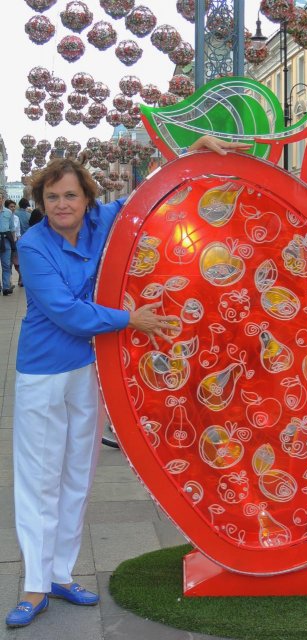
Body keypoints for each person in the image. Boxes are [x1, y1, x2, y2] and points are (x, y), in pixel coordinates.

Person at [5, 134, 251, 628]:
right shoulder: (33, 245)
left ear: (86, 198)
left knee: (78, 474)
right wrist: (129, 320)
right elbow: (64, 311)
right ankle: (35, 583)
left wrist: (190, 152)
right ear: (40, 202)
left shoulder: (101, 221)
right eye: (52, 197)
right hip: (44, 372)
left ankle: (61, 573)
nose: (61, 204)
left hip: (89, 369)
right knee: (39, 478)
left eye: (70, 195)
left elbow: (151, 191)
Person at [0, 191, 15, 296]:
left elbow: (12, 227)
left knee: (6, 264)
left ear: (2, 199)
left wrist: (13, 242)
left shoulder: (8, 212)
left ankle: (6, 287)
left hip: (5, 240)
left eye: (0, 198)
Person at [5, 200, 22, 286]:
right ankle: (9, 282)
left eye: (14, 206)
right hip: (5, 242)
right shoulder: (3, 217)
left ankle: (21, 278)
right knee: (7, 264)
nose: (13, 208)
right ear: (6, 208)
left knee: (17, 263)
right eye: (11, 207)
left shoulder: (16, 218)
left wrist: (18, 243)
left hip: (15, 243)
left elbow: (18, 231)